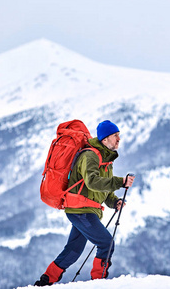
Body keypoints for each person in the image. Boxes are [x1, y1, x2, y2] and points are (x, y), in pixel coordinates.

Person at [35, 120, 135, 286]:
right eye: (115, 135)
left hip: (84, 209)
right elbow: (93, 182)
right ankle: (98, 283)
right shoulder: (90, 156)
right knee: (106, 243)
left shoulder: (105, 159)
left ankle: (45, 282)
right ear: (104, 140)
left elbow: (102, 188)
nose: (119, 139)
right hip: (80, 209)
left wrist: (114, 201)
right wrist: (121, 182)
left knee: (73, 250)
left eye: (119, 135)